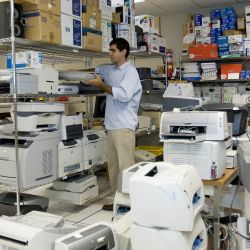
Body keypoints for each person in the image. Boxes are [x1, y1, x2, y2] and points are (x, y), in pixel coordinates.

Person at [86, 38, 142, 211]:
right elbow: (99, 70)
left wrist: (102, 85)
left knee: (126, 166)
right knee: (113, 167)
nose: (110, 54)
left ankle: (131, 203)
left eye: (113, 51)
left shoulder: (130, 72)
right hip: (111, 126)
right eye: (109, 51)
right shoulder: (111, 69)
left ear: (123, 51)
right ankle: (118, 200)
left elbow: (124, 95)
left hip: (124, 127)